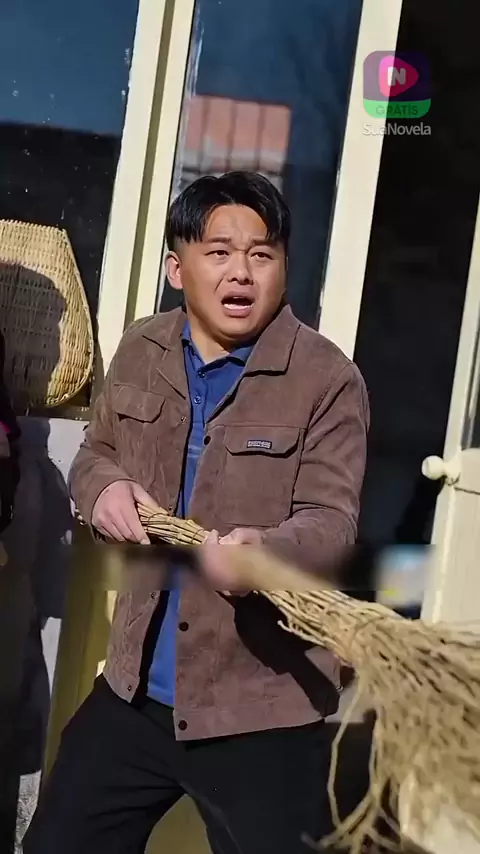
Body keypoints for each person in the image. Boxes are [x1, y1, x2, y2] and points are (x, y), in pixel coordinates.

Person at [24, 171, 369, 854]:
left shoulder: (328, 380)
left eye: (262, 254)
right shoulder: (142, 349)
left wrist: (265, 556)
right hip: (134, 693)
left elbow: (331, 524)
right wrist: (102, 490)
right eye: (219, 253)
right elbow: (98, 453)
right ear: (176, 269)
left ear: (284, 267)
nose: (241, 272)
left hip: (262, 707)